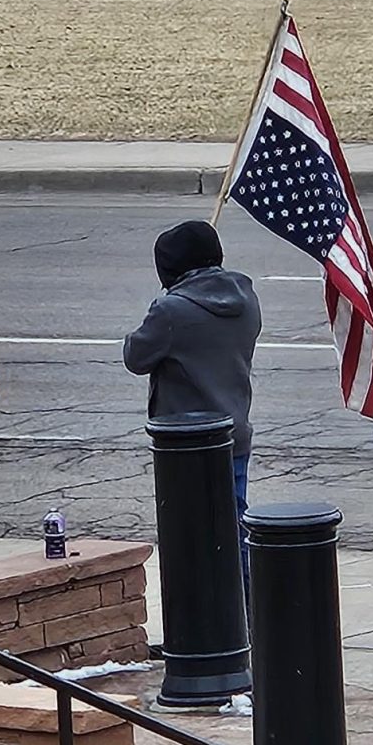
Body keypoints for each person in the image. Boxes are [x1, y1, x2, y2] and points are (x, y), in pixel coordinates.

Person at [123, 219, 262, 598]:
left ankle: (216, 626)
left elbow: (136, 356)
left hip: (187, 446)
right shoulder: (246, 297)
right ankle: (246, 621)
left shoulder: (171, 311)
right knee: (233, 533)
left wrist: (162, 304)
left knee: (192, 542)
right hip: (234, 437)